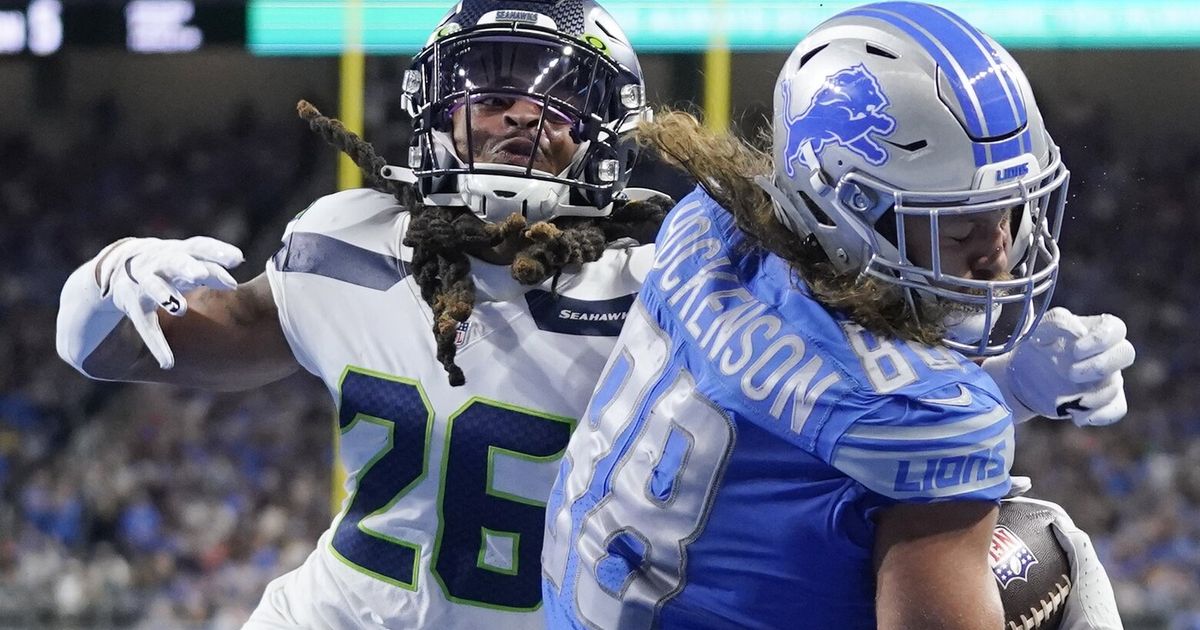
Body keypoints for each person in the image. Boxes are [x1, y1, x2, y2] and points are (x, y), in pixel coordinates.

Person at [55, 1, 674, 627]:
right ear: (439, 116)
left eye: (558, 98)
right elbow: (119, 353)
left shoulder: (652, 297)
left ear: (604, 133)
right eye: (489, 97)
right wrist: (106, 279)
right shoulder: (350, 242)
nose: (522, 112)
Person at [541, 2, 1133, 629]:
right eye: (959, 223)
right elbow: (878, 410)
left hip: (579, 603)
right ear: (849, 210)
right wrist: (992, 401)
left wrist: (1011, 384)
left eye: (1009, 211)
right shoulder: (932, 420)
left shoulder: (707, 224)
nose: (997, 252)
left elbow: (802, 423)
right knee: (1039, 551)